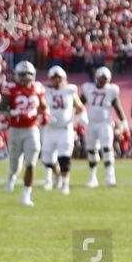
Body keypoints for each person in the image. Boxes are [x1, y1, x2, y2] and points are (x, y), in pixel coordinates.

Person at [1, 60, 46, 208]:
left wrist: (44, 113)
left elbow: (43, 106)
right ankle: (11, 176)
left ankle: (26, 195)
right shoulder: (10, 88)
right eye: (23, 75)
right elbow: (1, 110)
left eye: (28, 75)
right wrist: (15, 112)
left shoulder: (38, 88)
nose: (26, 78)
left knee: (31, 163)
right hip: (15, 129)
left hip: (31, 128)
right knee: (14, 162)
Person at [40, 66, 84, 195]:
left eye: (59, 78)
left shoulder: (70, 91)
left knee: (64, 157)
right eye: (54, 78)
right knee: (47, 159)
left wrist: (82, 117)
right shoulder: (44, 91)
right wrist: (43, 116)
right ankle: (56, 173)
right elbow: (39, 107)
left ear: (64, 78)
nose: (57, 81)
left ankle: (65, 184)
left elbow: (80, 106)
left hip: (65, 129)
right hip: (49, 129)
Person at [81, 67, 126, 187]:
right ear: (96, 77)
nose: (103, 81)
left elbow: (117, 106)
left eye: (105, 79)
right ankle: (92, 178)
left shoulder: (111, 90)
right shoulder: (88, 88)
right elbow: (80, 103)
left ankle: (110, 178)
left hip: (105, 123)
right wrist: (77, 114)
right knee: (91, 150)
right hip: (90, 123)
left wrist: (123, 121)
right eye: (101, 78)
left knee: (107, 149)